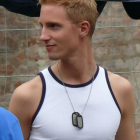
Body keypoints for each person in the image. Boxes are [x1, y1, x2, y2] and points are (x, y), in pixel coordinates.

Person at [9, 0, 136, 139]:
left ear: (83, 29)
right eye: (42, 26)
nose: (42, 37)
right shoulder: (27, 96)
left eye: (53, 26)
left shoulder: (120, 90)